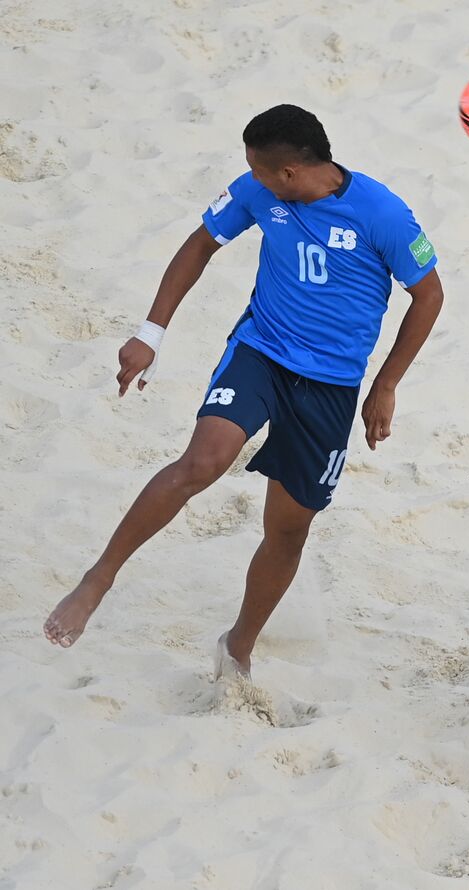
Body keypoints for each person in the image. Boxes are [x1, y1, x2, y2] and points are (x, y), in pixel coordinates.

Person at [42, 105, 445, 677]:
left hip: (332, 385)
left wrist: (386, 384)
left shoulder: (382, 214)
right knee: (202, 461)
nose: (250, 178)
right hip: (261, 351)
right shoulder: (260, 192)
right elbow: (200, 244)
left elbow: (429, 296)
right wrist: (150, 334)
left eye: (259, 169)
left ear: (289, 173)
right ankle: (97, 578)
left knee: (288, 528)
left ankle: (239, 646)